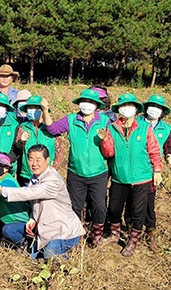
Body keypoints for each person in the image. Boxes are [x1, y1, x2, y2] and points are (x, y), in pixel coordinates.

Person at [0, 144, 84, 260]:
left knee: (50, 256)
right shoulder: (35, 177)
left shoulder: (52, 179)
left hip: (62, 230)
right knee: (33, 256)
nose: (34, 163)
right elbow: (36, 202)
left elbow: (30, 192)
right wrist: (33, 218)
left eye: (38, 159)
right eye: (31, 159)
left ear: (47, 160)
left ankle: (68, 255)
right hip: (43, 228)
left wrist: (0, 190)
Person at [43, 89, 110, 247]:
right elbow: (53, 129)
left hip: (99, 173)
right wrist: (45, 111)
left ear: (96, 105)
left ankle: (97, 235)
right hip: (76, 173)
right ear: (79, 103)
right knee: (75, 206)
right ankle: (77, 234)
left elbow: (112, 145)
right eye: (84, 101)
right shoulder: (71, 120)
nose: (87, 105)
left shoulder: (105, 121)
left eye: (91, 102)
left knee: (99, 206)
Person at [98, 93, 163, 257]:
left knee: (138, 211)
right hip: (120, 177)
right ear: (119, 109)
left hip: (142, 177)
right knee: (114, 208)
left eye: (130, 105)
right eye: (123, 106)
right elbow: (109, 153)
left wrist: (157, 170)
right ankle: (115, 234)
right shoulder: (112, 128)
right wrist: (105, 140)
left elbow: (154, 150)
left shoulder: (144, 128)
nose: (127, 109)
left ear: (136, 109)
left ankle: (132, 241)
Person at [137, 94, 171, 249]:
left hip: (153, 170)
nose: (154, 109)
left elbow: (169, 146)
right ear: (146, 107)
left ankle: (150, 230)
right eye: (152, 106)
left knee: (148, 201)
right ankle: (133, 229)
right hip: (134, 167)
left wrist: (169, 155)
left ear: (162, 111)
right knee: (133, 200)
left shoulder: (165, 129)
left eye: (158, 107)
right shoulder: (136, 121)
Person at [0, 152, 31, 252]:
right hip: (4, 219)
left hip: (20, 221)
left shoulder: (9, 182)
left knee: (8, 230)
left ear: (6, 168)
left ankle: (23, 243)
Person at [14, 95, 61, 186]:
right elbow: (18, 146)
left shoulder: (52, 129)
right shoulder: (23, 127)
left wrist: (54, 169)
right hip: (27, 174)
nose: (32, 110)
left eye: (35, 108)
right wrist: (22, 141)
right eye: (30, 108)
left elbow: (59, 151)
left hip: (48, 175)